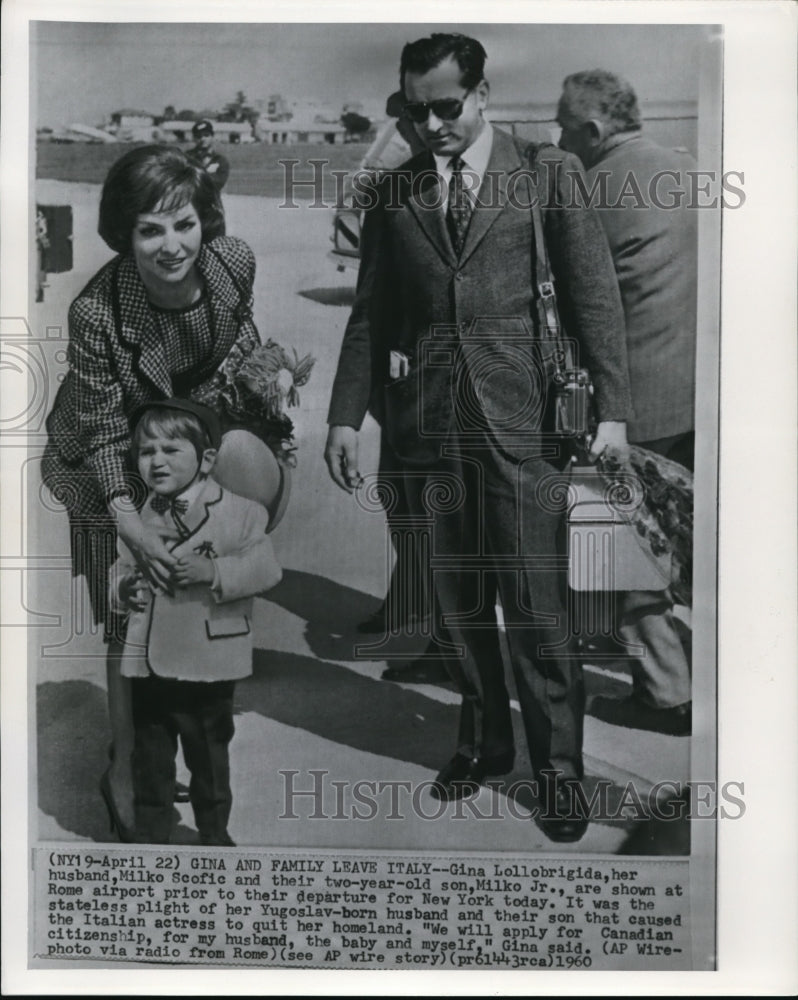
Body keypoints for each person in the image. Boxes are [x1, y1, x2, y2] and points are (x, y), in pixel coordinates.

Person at [325, 33, 633, 842]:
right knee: (460, 607)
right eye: (413, 109)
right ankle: (486, 739)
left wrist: (614, 412)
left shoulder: (546, 173)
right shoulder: (393, 196)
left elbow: (595, 298)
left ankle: (558, 773)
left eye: (445, 106)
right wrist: (342, 417)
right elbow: (369, 317)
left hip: (524, 431)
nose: (429, 125)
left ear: (483, 93)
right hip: (426, 430)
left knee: (537, 609)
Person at [41, 144, 279, 841]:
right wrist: (131, 525)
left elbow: (239, 341)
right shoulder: (98, 312)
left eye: (183, 224)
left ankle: (177, 735)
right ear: (125, 235)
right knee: (130, 609)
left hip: (183, 440)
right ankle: (123, 765)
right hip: (100, 457)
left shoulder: (234, 263)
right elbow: (107, 432)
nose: (170, 245)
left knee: (189, 592)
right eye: (149, 229)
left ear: (205, 222)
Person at [556, 70, 697, 736]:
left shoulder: (600, 183)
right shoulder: (679, 168)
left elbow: (558, 285)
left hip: (631, 398)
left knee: (619, 550)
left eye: (564, 126)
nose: (558, 137)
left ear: (592, 129)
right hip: (690, 388)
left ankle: (666, 693)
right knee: (686, 540)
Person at [110, 399, 282, 845]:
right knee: (150, 756)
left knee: (208, 756)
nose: (157, 461)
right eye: (146, 452)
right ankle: (152, 836)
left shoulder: (243, 513)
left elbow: (266, 570)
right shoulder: (140, 517)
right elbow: (121, 567)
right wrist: (122, 590)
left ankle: (213, 834)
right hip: (148, 661)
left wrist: (216, 573)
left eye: (171, 450)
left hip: (209, 661)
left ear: (206, 460)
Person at [186, 119, 230, 193]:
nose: (203, 139)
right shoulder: (187, 157)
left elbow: (219, 183)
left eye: (206, 135)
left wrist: (197, 174)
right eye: (199, 136)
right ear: (194, 138)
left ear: (212, 136)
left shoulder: (220, 160)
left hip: (211, 201)